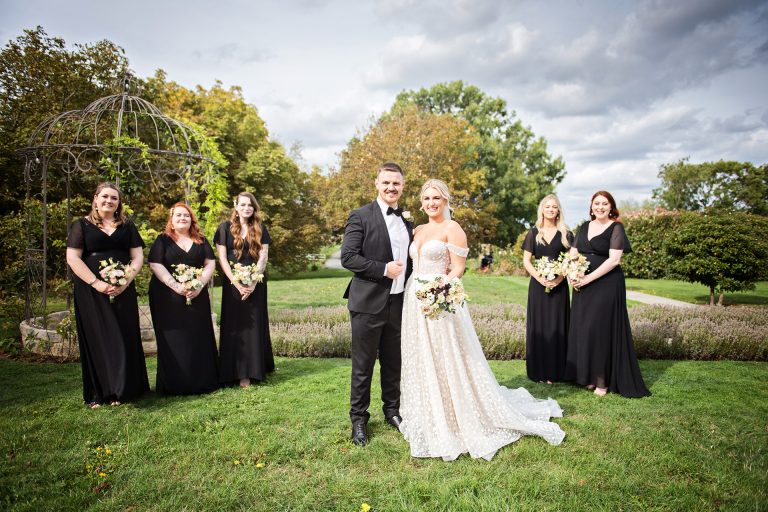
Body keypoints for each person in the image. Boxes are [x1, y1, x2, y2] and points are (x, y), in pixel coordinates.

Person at [399, 179, 565, 461]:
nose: (431, 203)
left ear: (446, 200)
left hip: (441, 298)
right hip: (413, 299)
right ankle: (429, 410)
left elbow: (459, 268)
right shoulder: (418, 230)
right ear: (421, 202)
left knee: (448, 355)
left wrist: (439, 291)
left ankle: (456, 413)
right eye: (426, 199)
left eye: (436, 198)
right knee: (422, 355)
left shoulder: (453, 228)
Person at [341, 162, 413, 446]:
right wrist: (383, 269)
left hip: (399, 303)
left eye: (396, 183)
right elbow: (348, 257)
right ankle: (358, 420)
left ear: (402, 186)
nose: (391, 187)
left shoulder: (407, 222)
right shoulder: (360, 216)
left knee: (394, 362)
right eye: (386, 183)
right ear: (377, 183)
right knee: (363, 365)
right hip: (367, 304)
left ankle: (392, 411)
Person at [65, 182, 149, 408]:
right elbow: (73, 258)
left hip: (123, 289)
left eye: (114, 198)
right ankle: (98, 392)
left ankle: (124, 390)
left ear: (119, 203)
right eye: (105, 197)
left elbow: (138, 257)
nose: (109, 201)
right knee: (99, 337)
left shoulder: (127, 226)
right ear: (95, 199)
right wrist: (96, 283)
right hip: (91, 290)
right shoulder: (81, 225)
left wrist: (125, 280)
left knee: (124, 334)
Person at [565, 191, 651, 398]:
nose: (600, 207)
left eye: (605, 203)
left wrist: (587, 278)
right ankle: (588, 376)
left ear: (611, 207)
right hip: (582, 286)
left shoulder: (616, 228)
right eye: (597, 203)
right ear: (591, 206)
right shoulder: (584, 227)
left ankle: (603, 380)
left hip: (606, 285)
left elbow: (614, 260)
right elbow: (573, 254)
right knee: (585, 330)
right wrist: (572, 274)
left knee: (602, 331)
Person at [148, 203, 219, 395]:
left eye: (186, 216)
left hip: (197, 295)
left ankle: (202, 382)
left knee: (198, 335)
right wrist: (176, 285)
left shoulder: (201, 240)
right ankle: (175, 384)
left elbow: (210, 262)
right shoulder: (163, 240)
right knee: (175, 338)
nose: (182, 218)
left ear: (192, 219)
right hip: (167, 296)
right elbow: (155, 264)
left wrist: (199, 284)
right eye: (178, 215)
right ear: (171, 219)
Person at [214, 192, 274, 387]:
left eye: (250, 205)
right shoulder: (224, 228)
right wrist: (235, 281)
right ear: (236, 205)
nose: (246, 208)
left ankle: (253, 370)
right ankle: (235, 370)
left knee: (254, 326)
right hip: (233, 284)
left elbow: (263, 256)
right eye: (243, 204)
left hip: (256, 283)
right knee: (235, 326)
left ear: (254, 208)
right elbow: (222, 258)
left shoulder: (260, 228)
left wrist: (254, 281)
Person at [522, 194, 573, 383]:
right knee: (540, 327)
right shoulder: (534, 233)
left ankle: (556, 372)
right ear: (542, 210)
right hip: (538, 287)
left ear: (559, 210)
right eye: (547, 207)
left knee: (557, 327)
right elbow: (526, 260)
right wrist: (539, 277)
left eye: (554, 207)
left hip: (559, 288)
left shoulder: (566, 233)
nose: (551, 210)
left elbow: (571, 260)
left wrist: (560, 278)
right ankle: (539, 371)